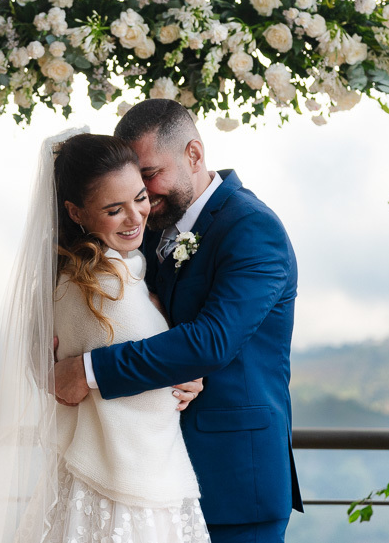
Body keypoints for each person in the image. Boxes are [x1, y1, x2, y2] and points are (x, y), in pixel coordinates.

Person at [54, 100, 304, 543]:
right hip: (151, 477)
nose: (143, 196)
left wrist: (88, 371)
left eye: (149, 176)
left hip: (233, 479)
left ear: (193, 154)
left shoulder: (253, 229)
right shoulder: (146, 228)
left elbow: (211, 343)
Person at [0, 130, 210, 543]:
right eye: (114, 209)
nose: (135, 218)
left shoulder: (82, 276)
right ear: (77, 213)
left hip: (109, 479)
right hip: (126, 492)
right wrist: (183, 376)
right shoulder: (99, 287)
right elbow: (149, 391)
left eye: (140, 197)